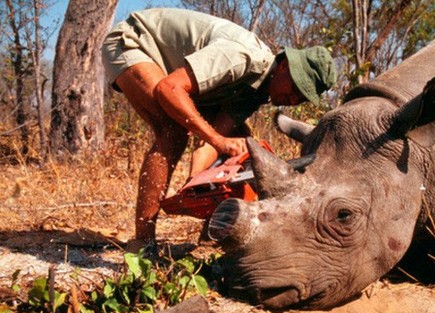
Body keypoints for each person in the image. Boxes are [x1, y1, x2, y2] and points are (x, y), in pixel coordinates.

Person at [101, 8, 337, 251]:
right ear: (285, 65)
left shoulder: (255, 93)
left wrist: (197, 185)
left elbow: (215, 140)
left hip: (171, 73)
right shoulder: (242, 56)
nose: (295, 99)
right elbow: (169, 89)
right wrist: (217, 140)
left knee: (241, 142)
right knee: (172, 133)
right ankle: (143, 243)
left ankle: (211, 236)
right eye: (297, 88)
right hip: (134, 42)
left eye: (303, 98)